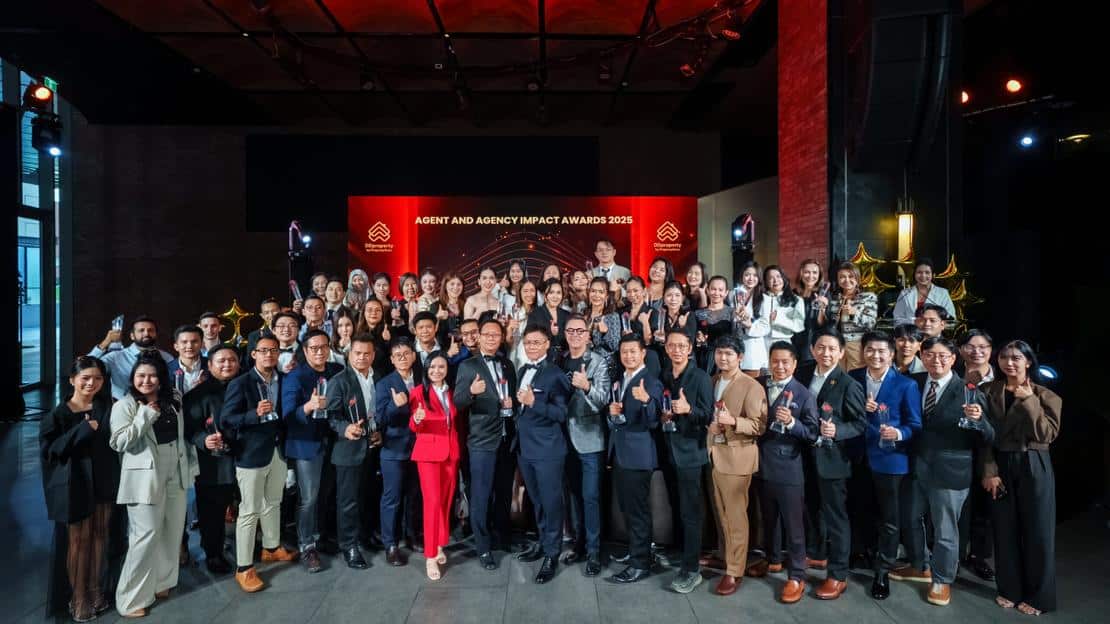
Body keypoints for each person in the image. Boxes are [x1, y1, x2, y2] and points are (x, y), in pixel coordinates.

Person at [894, 337, 993, 607]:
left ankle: (942, 578)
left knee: (945, 529)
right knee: (910, 519)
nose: (935, 360)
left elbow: (989, 435)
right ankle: (920, 565)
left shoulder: (968, 390)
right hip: (915, 466)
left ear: (953, 359)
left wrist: (977, 421)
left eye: (942, 356)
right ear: (922, 357)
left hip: (950, 471)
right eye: (929, 355)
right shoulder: (913, 382)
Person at [109, 355, 196, 617]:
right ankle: (130, 599)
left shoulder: (174, 398)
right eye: (141, 376)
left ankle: (162, 582)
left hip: (175, 466)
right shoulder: (125, 405)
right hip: (144, 474)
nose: (146, 381)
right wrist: (144, 415)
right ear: (132, 378)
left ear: (161, 378)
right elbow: (119, 442)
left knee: (172, 530)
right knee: (145, 536)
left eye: (152, 375)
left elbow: (181, 435)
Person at [980, 340, 1061, 616]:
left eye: (1016, 358)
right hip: (1000, 462)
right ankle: (1009, 589)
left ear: (1028, 361)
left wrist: (1028, 400)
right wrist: (989, 471)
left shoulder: (1046, 395)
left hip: (1033, 463)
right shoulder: (988, 391)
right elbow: (983, 435)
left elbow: (1046, 434)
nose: (1009, 362)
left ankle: (1040, 597)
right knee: (1004, 529)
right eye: (1004, 357)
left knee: (1038, 531)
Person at [41, 357, 119, 621]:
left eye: (97, 378)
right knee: (79, 541)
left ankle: (96, 589)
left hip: (103, 478)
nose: (91, 383)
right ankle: (78, 597)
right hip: (73, 483)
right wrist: (83, 430)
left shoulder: (107, 406)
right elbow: (51, 452)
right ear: (72, 380)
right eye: (85, 378)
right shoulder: (58, 414)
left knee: (100, 535)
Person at [220, 336, 299, 593]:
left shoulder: (283, 379)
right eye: (263, 350)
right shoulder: (241, 382)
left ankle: (271, 547)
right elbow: (227, 419)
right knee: (249, 510)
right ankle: (244, 567)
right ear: (253, 354)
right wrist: (254, 414)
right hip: (251, 454)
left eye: (273, 350)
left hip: (278, 450)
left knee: (273, 502)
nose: (269, 355)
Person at [848, 331, 922, 600]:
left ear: (892, 354)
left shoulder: (906, 384)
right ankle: (862, 553)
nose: (875, 355)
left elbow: (915, 425)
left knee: (889, 519)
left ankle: (883, 570)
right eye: (870, 350)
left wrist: (898, 433)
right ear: (863, 352)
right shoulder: (853, 377)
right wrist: (861, 409)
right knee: (860, 509)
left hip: (891, 460)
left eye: (881, 351)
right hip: (858, 456)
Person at [794, 329, 866, 600]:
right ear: (813, 349)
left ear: (841, 352)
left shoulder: (848, 384)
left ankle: (838, 574)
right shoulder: (802, 373)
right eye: (821, 347)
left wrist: (838, 431)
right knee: (811, 509)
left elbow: (860, 423)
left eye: (832, 348)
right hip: (803, 456)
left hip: (833, 460)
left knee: (836, 517)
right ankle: (817, 553)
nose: (826, 353)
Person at [746, 342, 818, 604]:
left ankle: (796, 575)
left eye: (785, 361)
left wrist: (792, 423)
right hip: (760, 465)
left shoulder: (804, 394)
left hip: (789, 469)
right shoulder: (758, 384)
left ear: (795, 364)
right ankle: (772, 559)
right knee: (769, 519)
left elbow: (812, 434)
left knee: (793, 526)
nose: (779, 366)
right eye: (775, 361)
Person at [703, 335, 766, 595]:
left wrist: (733, 422)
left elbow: (759, 425)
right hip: (713, 454)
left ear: (740, 357)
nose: (723, 358)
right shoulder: (712, 380)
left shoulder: (752, 386)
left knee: (736, 517)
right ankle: (724, 555)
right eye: (720, 353)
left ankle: (735, 570)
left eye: (729, 353)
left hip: (737, 458)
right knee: (720, 512)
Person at [453, 319, 518, 571]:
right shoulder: (467, 366)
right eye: (487, 334)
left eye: (496, 335)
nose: (492, 339)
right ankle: (482, 547)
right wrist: (471, 391)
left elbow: (511, 396)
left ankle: (502, 537)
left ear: (501, 338)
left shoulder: (507, 364)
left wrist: (513, 405)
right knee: (480, 495)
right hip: (481, 440)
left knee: (503, 492)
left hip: (506, 437)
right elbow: (458, 402)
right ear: (478, 337)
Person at [513, 325, 572, 584]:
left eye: (537, 342)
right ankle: (542, 542)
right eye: (528, 342)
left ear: (547, 344)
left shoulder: (555, 374)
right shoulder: (522, 371)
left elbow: (561, 414)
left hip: (548, 450)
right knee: (536, 501)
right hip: (525, 448)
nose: (532, 347)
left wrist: (533, 402)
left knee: (551, 502)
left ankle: (552, 553)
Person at [281, 329, 344, 574]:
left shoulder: (336, 371)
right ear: (305, 351)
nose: (319, 352)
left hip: (333, 442)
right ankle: (306, 545)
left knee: (326, 494)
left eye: (324, 347)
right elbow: (287, 415)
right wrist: (307, 407)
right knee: (308, 498)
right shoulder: (295, 377)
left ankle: (321, 537)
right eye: (314, 348)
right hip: (305, 445)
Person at [604, 334, 663, 584]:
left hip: (638, 457)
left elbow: (654, 420)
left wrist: (647, 401)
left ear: (643, 353)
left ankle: (640, 564)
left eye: (633, 351)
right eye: (624, 352)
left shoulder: (651, 381)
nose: (628, 356)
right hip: (620, 453)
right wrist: (612, 414)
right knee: (629, 509)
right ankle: (639, 552)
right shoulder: (621, 380)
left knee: (637, 511)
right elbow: (617, 419)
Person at [658, 329, 712, 593]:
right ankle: (681, 554)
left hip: (691, 453)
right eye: (672, 345)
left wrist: (688, 409)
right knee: (677, 507)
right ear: (666, 348)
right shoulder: (665, 375)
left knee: (691, 513)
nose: (676, 350)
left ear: (690, 348)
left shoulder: (701, 377)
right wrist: (665, 415)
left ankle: (692, 569)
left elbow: (708, 415)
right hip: (669, 450)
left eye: (681, 346)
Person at [559, 315, 611, 577]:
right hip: (564, 439)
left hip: (590, 439)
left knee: (590, 497)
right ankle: (579, 544)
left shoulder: (598, 361)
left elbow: (604, 399)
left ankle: (594, 552)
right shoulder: (559, 360)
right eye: (571, 331)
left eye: (580, 331)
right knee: (574, 496)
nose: (575, 335)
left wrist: (587, 386)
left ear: (588, 335)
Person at [325, 334, 383, 570]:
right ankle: (348, 545)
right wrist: (345, 428)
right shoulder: (339, 381)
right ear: (349, 355)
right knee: (347, 501)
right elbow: (331, 416)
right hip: (348, 449)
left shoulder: (379, 377)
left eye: (366, 353)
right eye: (357, 353)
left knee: (368, 496)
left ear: (373, 355)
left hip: (373, 446)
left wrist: (380, 432)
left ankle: (365, 536)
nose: (362, 357)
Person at [182, 345, 240, 575]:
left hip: (246, 458)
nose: (227, 365)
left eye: (232, 360)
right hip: (213, 462)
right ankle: (213, 554)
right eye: (221, 361)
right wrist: (203, 440)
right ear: (209, 365)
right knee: (212, 512)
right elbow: (189, 428)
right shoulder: (197, 394)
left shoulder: (246, 386)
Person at [409, 352, 460, 580]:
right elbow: (414, 425)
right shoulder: (419, 392)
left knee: (445, 501)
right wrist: (417, 419)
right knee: (432, 503)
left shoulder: (451, 392)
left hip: (450, 453)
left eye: (441, 367)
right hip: (428, 455)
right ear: (426, 369)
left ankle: (439, 544)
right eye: (432, 367)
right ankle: (430, 556)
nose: (437, 371)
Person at [375, 338, 423, 566]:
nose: (403, 358)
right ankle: (391, 544)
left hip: (420, 447)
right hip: (394, 449)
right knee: (392, 498)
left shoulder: (422, 379)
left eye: (406, 353)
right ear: (392, 360)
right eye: (398, 355)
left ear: (414, 355)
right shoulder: (385, 383)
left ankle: (412, 536)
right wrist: (396, 405)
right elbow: (380, 419)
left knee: (414, 495)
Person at [955, 329, 996, 580]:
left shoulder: (1001, 379)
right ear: (961, 350)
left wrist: (991, 466)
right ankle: (956, 556)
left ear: (991, 351)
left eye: (983, 347)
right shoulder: (953, 373)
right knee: (959, 508)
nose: (977, 352)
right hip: (957, 450)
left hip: (988, 452)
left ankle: (978, 556)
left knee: (983, 509)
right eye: (970, 346)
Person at [89, 316, 174, 399]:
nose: (146, 333)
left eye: (150, 330)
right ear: (132, 336)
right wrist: (105, 342)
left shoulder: (167, 358)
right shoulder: (115, 357)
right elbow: (85, 366)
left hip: (159, 404)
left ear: (156, 334)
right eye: (141, 330)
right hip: (123, 405)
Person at [820, 262, 877, 370]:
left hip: (856, 344)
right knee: (838, 375)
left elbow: (871, 323)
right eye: (842, 277)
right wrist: (823, 309)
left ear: (857, 278)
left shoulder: (867, 297)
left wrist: (855, 313)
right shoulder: (835, 298)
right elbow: (830, 323)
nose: (846, 280)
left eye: (851, 276)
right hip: (836, 344)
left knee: (856, 375)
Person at [892, 258, 956, 326]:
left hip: (935, 332)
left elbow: (951, 319)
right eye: (919, 272)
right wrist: (915, 323)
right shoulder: (905, 293)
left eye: (927, 272)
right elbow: (897, 318)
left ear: (933, 275)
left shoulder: (943, 293)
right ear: (914, 274)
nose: (923, 276)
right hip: (911, 332)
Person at [732, 261, 765, 374]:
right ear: (742, 276)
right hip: (734, 346)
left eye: (755, 275)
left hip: (752, 349)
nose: (751, 278)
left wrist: (750, 325)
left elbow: (766, 326)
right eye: (747, 275)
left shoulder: (764, 298)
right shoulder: (732, 295)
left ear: (759, 278)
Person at [793, 259, 827, 364]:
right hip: (794, 342)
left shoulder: (824, 294)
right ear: (801, 274)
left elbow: (822, 324)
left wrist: (822, 309)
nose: (811, 276)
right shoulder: (793, 294)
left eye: (815, 272)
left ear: (819, 275)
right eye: (807, 272)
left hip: (813, 344)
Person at [530, 278, 571, 350]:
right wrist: (550, 333)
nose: (555, 296)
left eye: (558, 292)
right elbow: (531, 340)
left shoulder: (567, 315)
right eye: (551, 292)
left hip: (564, 355)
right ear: (545, 295)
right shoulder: (535, 314)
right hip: (542, 354)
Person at [583, 277, 620, 355]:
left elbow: (615, 346)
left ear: (607, 296)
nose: (596, 295)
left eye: (601, 292)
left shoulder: (612, 316)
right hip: (583, 357)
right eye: (593, 291)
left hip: (602, 360)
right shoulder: (583, 313)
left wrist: (605, 332)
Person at [168, 325, 207, 396]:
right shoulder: (167, 369)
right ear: (176, 346)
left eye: (194, 341)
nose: (189, 346)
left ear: (202, 344)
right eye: (184, 342)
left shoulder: (212, 366)